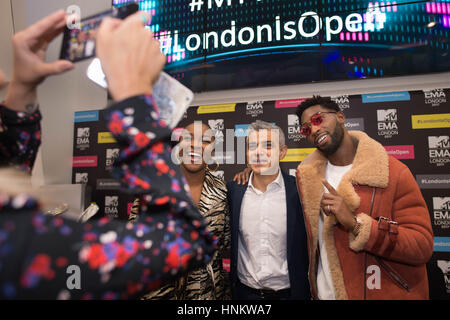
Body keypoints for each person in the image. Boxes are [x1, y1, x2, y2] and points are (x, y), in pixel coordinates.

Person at [0, 10, 216, 299]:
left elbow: (12, 165)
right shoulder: (17, 244)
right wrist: (134, 99)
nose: (4, 77)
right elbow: (183, 240)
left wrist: (21, 91)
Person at [295, 95, 434, 300]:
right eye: (306, 129)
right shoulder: (307, 180)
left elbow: (421, 245)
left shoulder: (393, 172)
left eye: (318, 119)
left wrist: (355, 224)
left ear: (340, 117)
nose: (314, 130)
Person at [140, 121, 230, 300]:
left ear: (212, 151)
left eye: (205, 141)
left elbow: (227, 240)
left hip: (208, 294)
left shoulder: (222, 191)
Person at [226, 120, 310, 300]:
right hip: (244, 296)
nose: (259, 153)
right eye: (252, 146)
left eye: (268, 146)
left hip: (290, 295)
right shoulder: (233, 191)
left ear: (282, 152)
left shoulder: (301, 193)